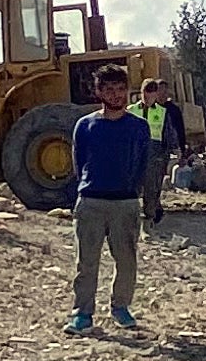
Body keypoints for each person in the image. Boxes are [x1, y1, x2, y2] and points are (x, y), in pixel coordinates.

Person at [67, 65, 150, 335]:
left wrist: (133, 192)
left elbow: (142, 164)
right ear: (99, 92)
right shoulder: (85, 125)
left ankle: (120, 307)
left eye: (120, 89)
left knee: (126, 260)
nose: (116, 95)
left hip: (125, 203)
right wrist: (87, 188)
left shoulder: (138, 127)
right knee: (86, 261)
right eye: (109, 89)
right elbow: (79, 162)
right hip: (91, 201)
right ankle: (82, 313)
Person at [135, 77, 179, 226]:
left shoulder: (162, 112)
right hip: (135, 153)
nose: (148, 97)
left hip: (155, 153)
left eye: (152, 93)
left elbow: (169, 132)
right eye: (146, 93)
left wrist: (175, 148)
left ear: (155, 94)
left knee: (152, 187)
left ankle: (149, 219)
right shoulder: (131, 110)